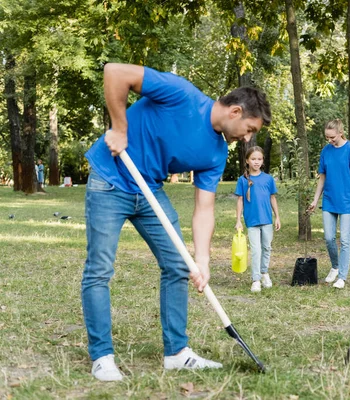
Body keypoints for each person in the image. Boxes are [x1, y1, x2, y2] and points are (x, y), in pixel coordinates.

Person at [83, 63, 271, 381]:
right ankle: (102, 357)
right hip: (110, 179)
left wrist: (202, 259)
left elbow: (204, 209)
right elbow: (115, 72)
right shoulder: (181, 93)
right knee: (99, 270)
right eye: (250, 129)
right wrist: (119, 127)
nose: (248, 138)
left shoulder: (216, 152)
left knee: (178, 266)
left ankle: (177, 353)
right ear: (235, 111)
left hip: (149, 192)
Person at [307, 119, 350, 289]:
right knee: (329, 238)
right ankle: (335, 266)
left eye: (332, 137)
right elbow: (322, 177)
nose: (330, 140)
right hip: (329, 200)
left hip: (348, 201)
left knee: (345, 241)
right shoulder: (326, 151)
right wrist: (315, 199)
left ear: (340, 133)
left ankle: (342, 276)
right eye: (327, 137)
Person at [234, 146, 281, 292]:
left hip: (266, 220)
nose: (256, 162)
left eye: (259, 159)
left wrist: (277, 217)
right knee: (256, 250)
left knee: (266, 247)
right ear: (247, 160)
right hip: (252, 221)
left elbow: (272, 198)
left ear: (263, 161)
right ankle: (256, 279)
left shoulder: (268, 179)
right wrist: (238, 220)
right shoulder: (243, 180)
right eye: (253, 159)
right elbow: (240, 200)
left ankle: (264, 273)